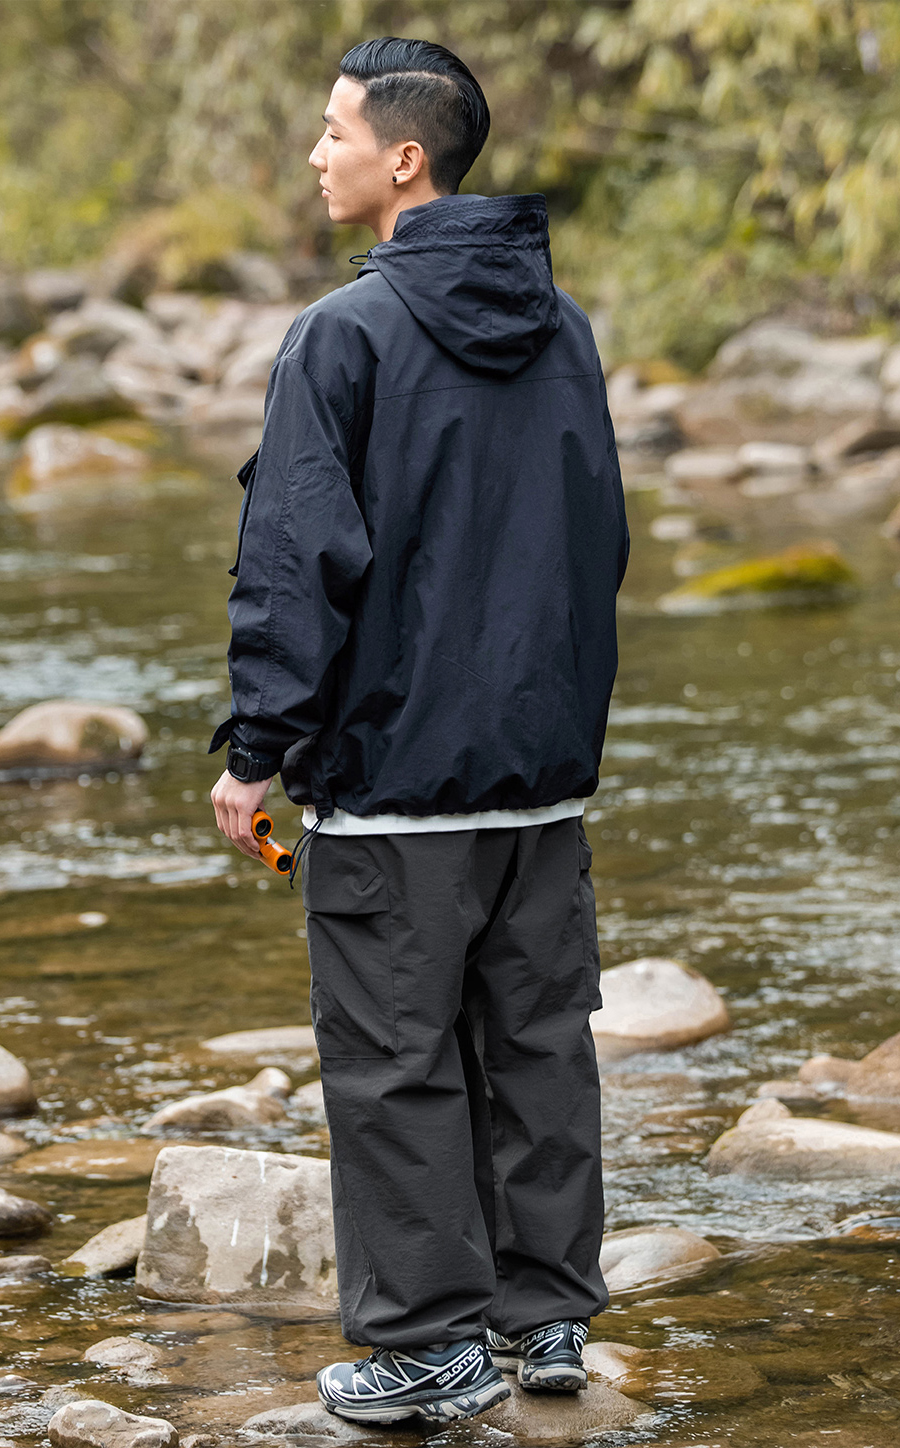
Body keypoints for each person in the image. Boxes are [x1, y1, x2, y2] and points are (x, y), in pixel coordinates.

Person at [210, 34, 629, 1428]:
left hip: (395, 789)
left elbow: (296, 563)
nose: (315, 154)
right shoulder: (565, 329)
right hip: (539, 786)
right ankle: (546, 1320)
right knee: (539, 1050)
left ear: (404, 160)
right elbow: (599, 544)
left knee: (394, 1068)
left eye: (333, 131)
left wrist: (257, 751)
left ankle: (427, 1347)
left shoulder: (342, 334)